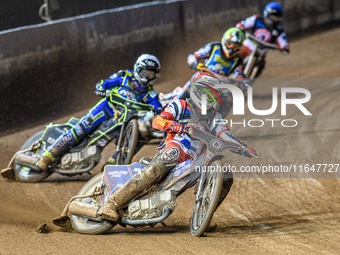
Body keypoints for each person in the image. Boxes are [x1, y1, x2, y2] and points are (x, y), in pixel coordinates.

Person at [99, 72, 257, 222]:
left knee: (226, 176)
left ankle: (203, 215)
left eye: (213, 95)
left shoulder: (215, 118)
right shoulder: (180, 105)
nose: (210, 99)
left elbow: (224, 134)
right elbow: (157, 121)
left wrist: (242, 146)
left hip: (195, 160)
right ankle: (112, 203)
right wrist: (176, 126)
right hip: (175, 147)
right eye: (207, 94)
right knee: (171, 155)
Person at [16, 54, 162, 171]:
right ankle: (47, 156)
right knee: (82, 128)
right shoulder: (124, 76)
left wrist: (161, 113)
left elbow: (158, 106)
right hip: (106, 108)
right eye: (145, 72)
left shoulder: (151, 94)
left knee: (140, 137)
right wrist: (101, 87)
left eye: (150, 74)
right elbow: (105, 83)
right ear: (138, 69)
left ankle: (110, 167)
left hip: (123, 119)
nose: (147, 76)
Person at [236, 2, 290, 75]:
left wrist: (285, 47)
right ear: (267, 14)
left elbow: (283, 43)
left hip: (261, 53)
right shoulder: (256, 19)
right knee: (236, 56)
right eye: (272, 17)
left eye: (276, 17)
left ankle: (249, 82)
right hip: (247, 46)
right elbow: (241, 24)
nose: (274, 19)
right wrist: (241, 28)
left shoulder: (279, 30)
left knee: (261, 65)